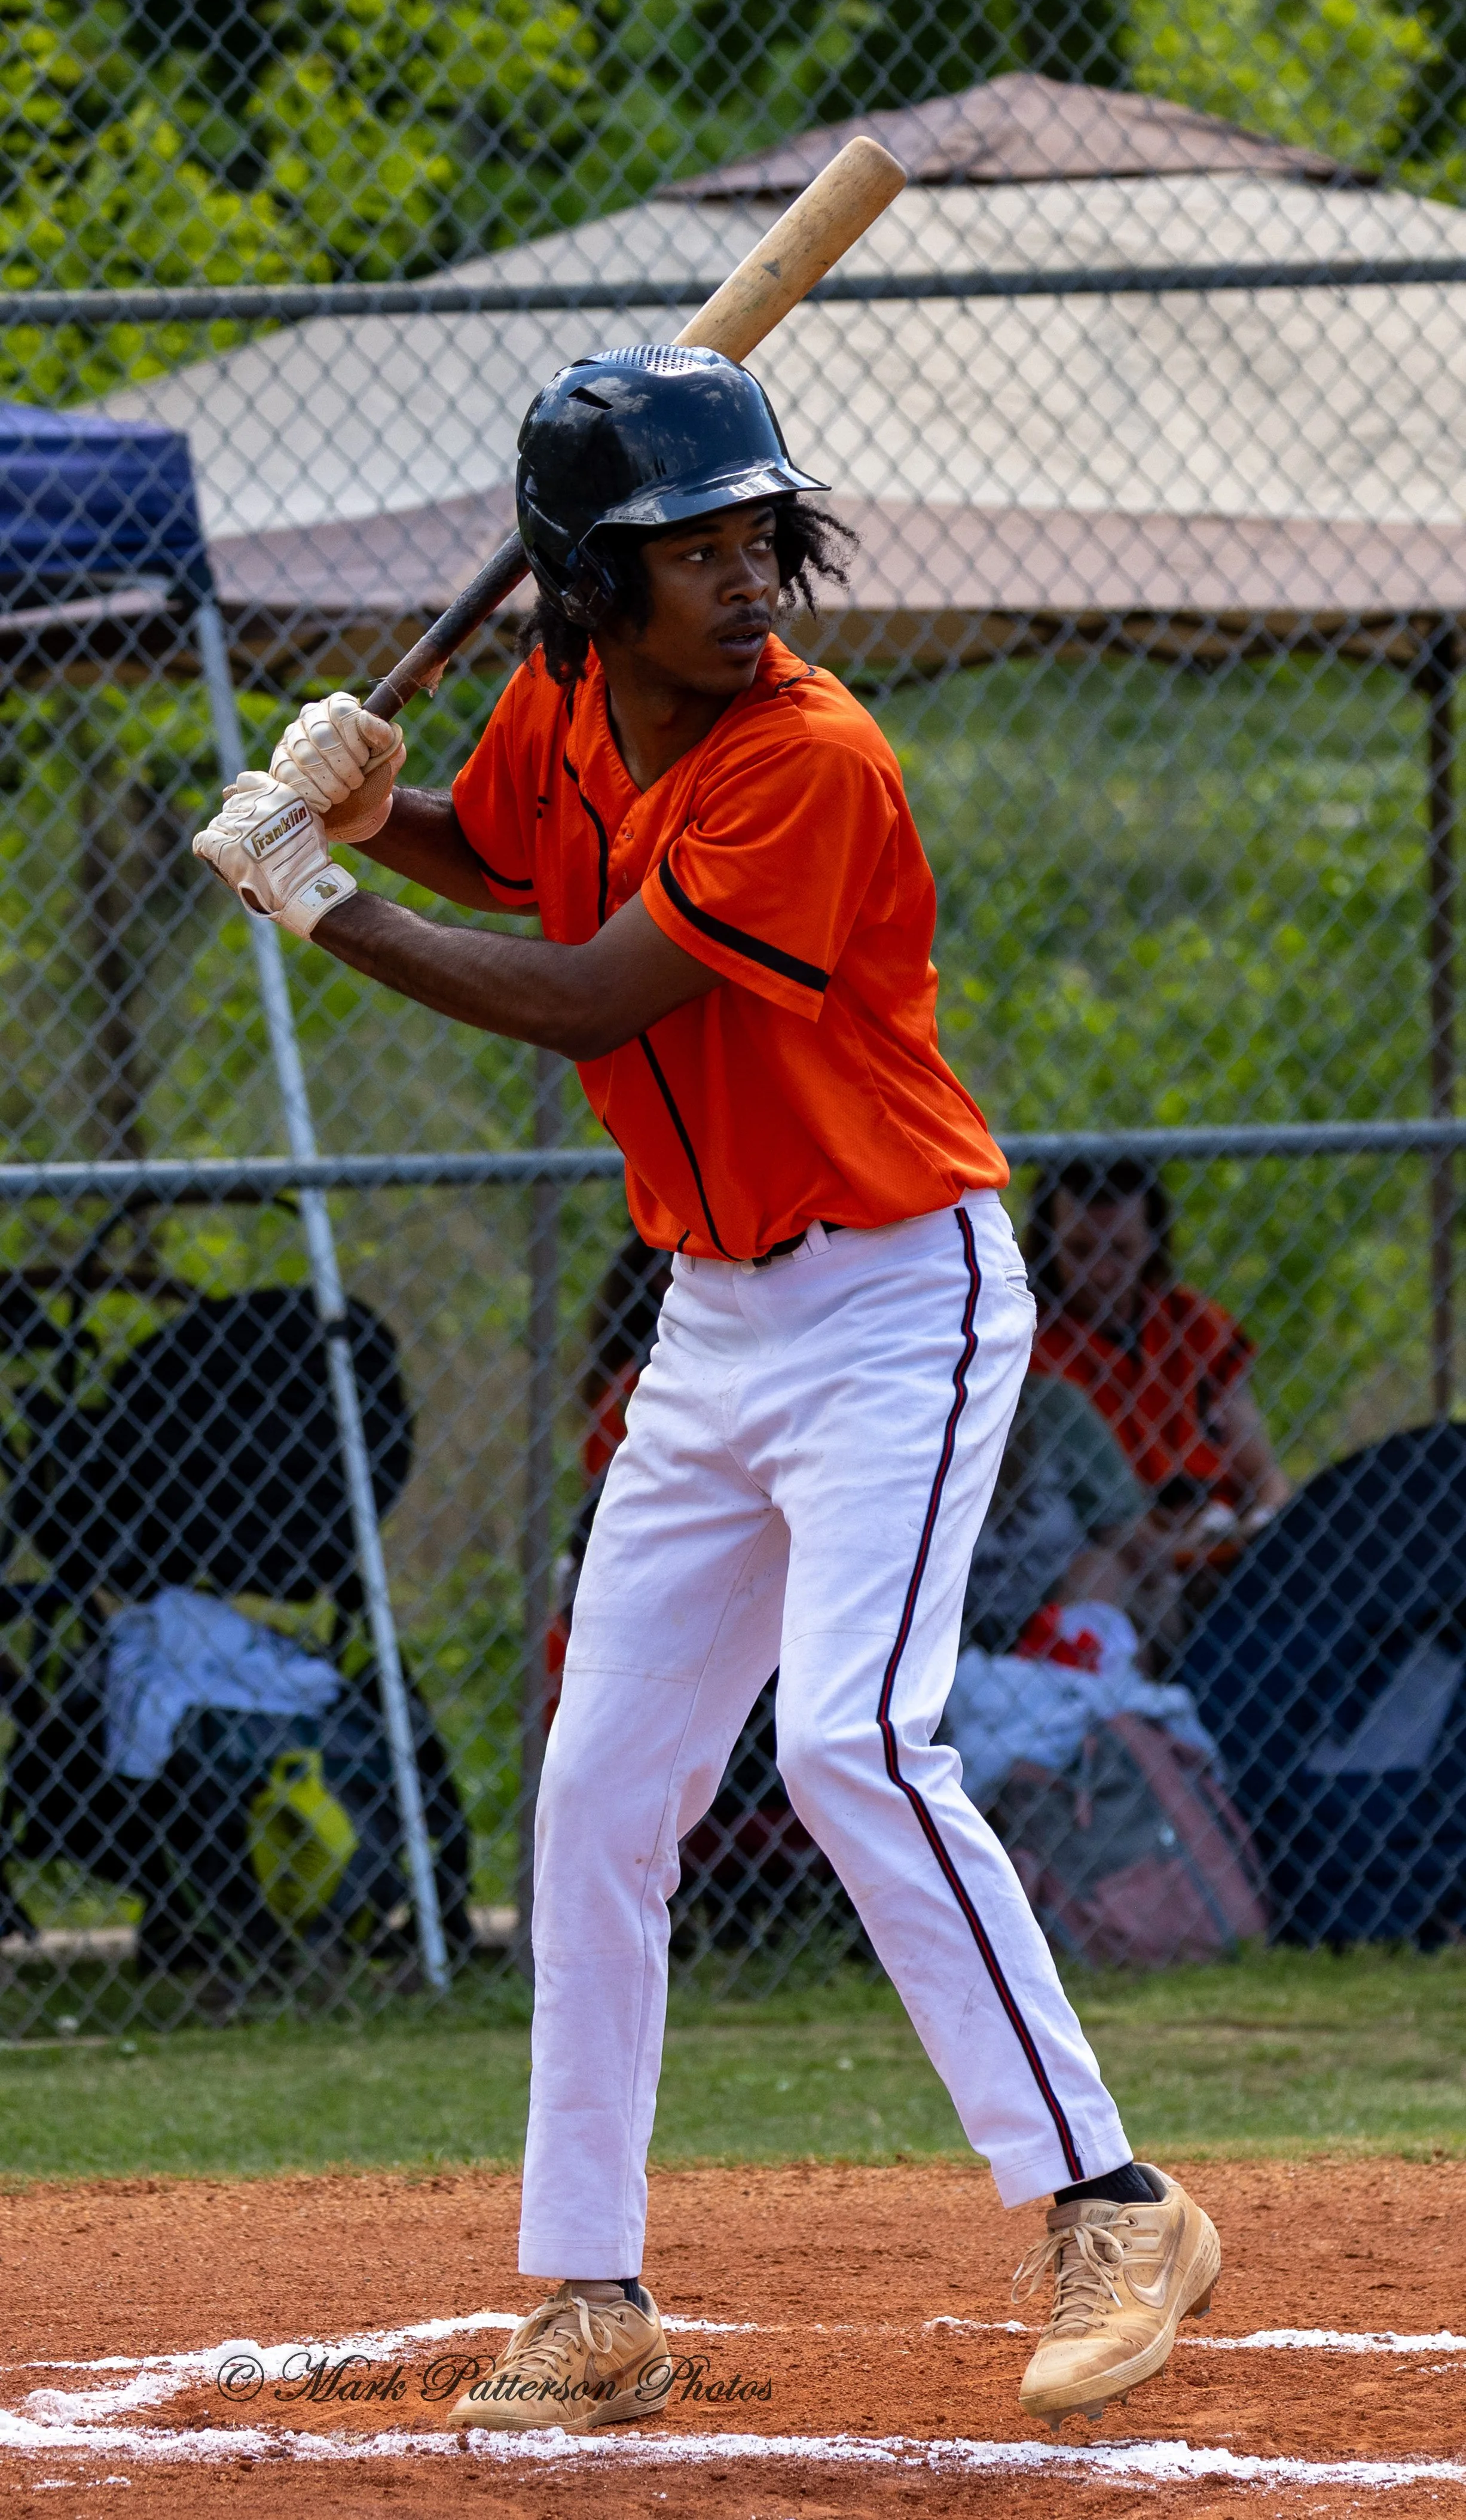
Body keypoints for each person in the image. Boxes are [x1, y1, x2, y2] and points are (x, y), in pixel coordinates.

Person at [193, 344, 1220, 2436]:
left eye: (758, 532)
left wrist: (321, 897)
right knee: (595, 1790)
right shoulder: (565, 698)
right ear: (587, 580)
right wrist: (387, 810)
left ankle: (1110, 2198)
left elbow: (588, 986)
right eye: (689, 547)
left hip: (895, 1301)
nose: (746, 575)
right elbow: (519, 854)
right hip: (715, 1316)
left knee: (852, 1736)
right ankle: (591, 2296)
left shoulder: (811, 756)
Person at [1025, 1157, 1291, 1652]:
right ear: (1048, 1242)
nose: (1103, 1272)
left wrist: (1263, 1525)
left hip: (1220, 1546)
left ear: (1151, 1242)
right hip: (1117, 1554)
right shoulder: (1029, 1345)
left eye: (1121, 1250)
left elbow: (1264, 1479)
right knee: (1105, 1577)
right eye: (1080, 1250)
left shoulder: (1195, 1324)